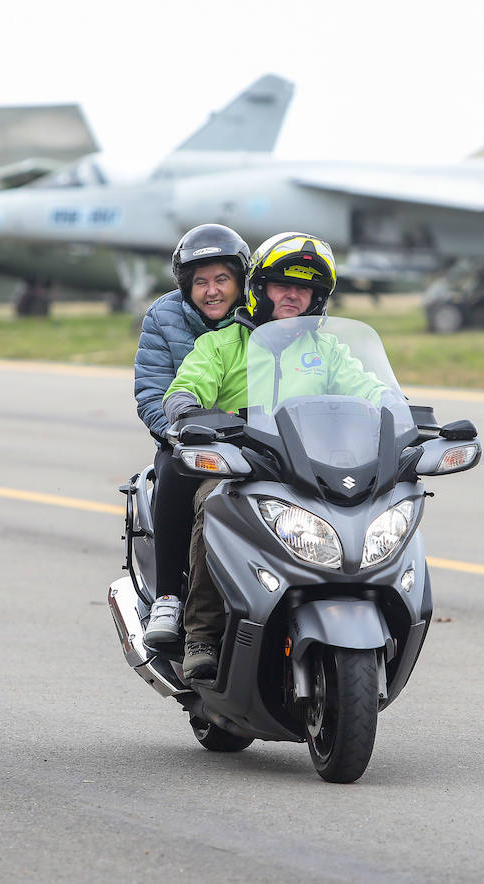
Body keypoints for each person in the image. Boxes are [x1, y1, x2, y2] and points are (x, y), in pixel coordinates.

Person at [161, 231, 350, 679]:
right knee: (214, 505)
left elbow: (372, 390)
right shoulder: (223, 344)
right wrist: (188, 410)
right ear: (260, 288)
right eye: (283, 284)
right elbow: (186, 386)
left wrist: (402, 415)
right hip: (244, 469)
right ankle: (202, 635)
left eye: (304, 287)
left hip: (315, 471)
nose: (293, 295)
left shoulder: (330, 351)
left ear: (317, 297)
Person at [133, 223, 249, 649]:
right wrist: (181, 431)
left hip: (256, 439)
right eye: (200, 282)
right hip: (185, 438)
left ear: (240, 281)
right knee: (175, 476)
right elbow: (151, 392)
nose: (212, 291)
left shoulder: (259, 318)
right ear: (186, 287)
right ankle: (168, 596)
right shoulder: (162, 316)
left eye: (222, 279)